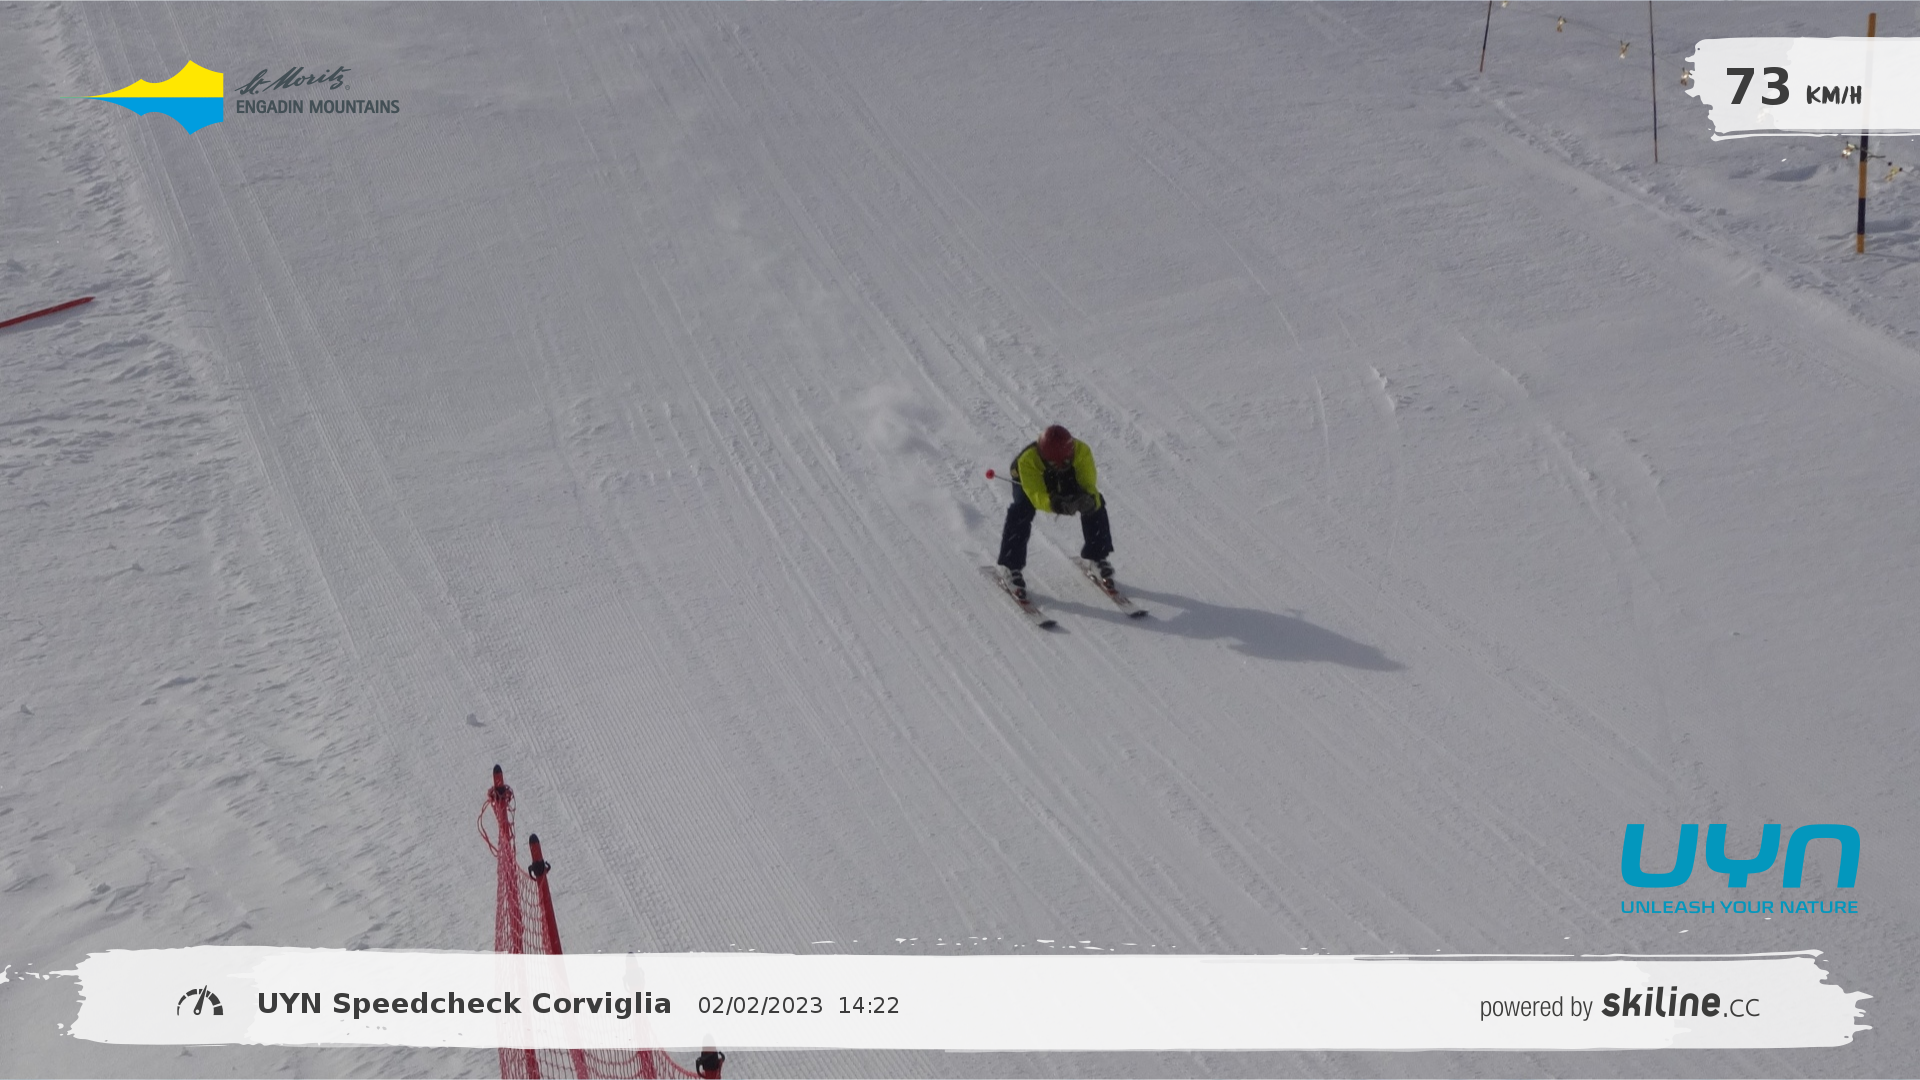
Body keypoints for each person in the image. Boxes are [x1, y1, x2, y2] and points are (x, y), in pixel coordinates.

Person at [996, 424, 1113, 600]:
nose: (1059, 466)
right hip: (1034, 480)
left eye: (1065, 462)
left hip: (1067, 479)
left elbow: (1089, 485)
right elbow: (1036, 496)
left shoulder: (1082, 452)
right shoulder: (1028, 460)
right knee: (1020, 511)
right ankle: (1010, 566)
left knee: (1095, 504)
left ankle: (1097, 557)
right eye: (1053, 463)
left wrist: (1088, 500)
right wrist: (1056, 504)